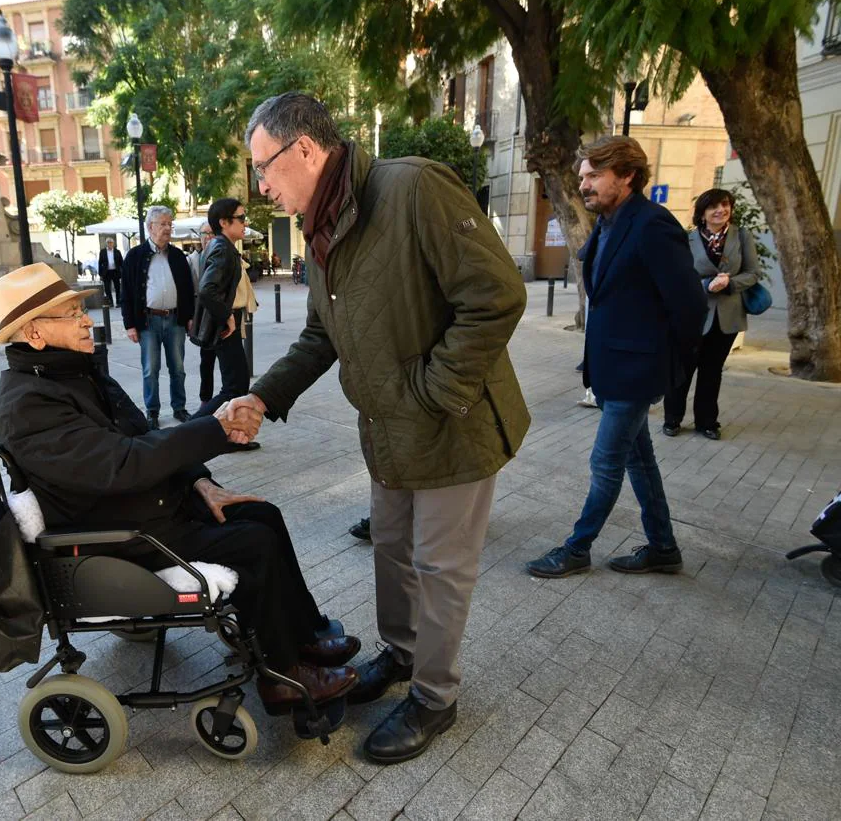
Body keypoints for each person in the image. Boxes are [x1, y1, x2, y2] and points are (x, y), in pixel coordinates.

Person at [223, 92, 532, 764]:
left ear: (304, 149)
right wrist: (264, 395)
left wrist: (431, 390)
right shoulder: (322, 225)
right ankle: (402, 653)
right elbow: (319, 333)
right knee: (392, 548)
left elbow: (498, 294)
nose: (262, 186)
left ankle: (435, 697)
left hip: (452, 424)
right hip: (388, 432)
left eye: (264, 168)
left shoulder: (413, 188)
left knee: (441, 567)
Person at [0, 263, 360, 712]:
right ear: (35, 333)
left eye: (81, 310)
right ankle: (281, 677)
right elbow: (123, 463)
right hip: (114, 533)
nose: (87, 320)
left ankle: (305, 637)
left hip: (145, 507)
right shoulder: (28, 404)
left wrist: (201, 481)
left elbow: (142, 437)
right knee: (252, 541)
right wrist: (215, 427)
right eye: (70, 314)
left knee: (263, 514)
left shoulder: (73, 374)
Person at [526, 136, 706, 580]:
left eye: (593, 176)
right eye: (583, 175)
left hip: (636, 372)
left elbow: (690, 307)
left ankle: (577, 547)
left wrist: (668, 370)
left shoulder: (652, 225)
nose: (583, 184)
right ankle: (663, 547)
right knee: (638, 459)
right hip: (613, 368)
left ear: (626, 175)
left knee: (605, 462)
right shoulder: (608, 224)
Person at [662, 188, 759, 440]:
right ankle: (672, 418)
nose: (721, 210)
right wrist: (705, 285)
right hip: (692, 316)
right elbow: (677, 276)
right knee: (683, 369)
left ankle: (706, 422)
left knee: (712, 371)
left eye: (725, 205)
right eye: (713, 206)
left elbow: (753, 273)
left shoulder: (742, 236)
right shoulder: (688, 239)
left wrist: (731, 283)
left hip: (727, 317)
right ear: (702, 213)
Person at [121, 207, 196, 430]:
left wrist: (189, 317)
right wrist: (129, 325)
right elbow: (126, 293)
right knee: (150, 369)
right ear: (149, 227)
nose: (167, 228)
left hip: (175, 320)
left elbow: (187, 289)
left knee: (178, 368)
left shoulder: (178, 256)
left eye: (169, 224)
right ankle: (152, 411)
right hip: (148, 322)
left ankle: (179, 407)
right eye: (162, 224)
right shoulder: (134, 256)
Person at [199, 198, 261, 453]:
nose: (245, 223)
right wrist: (227, 316)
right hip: (226, 326)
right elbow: (207, 289)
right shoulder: (222, 248)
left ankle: (231, 436)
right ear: (224, 222)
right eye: (241, 218)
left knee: (236, 386)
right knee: (234, 387)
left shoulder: (224, 246)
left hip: (228, 324)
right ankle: (190, 432)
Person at [187, 222, 220, 407]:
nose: (208, 237)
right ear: (199, 236)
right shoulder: (192, 260)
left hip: (222, 317)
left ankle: (229, 397)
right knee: (206, 361)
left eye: (211, 233)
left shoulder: (222, 256)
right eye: (204, 233)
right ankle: (205, 400)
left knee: (226, 362)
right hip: (203, 318)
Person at [98, 237, 123, 307]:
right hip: (106, 272)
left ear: (113, 243)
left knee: (117, 288)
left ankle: (118, 302)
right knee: (107, 288)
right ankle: (110, 302)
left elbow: (121, 262)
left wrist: (123, 271)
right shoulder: (102, 252)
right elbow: (100, 263)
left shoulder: (117, 251)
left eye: (111, 242)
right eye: (108, 242)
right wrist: (100, 274)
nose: (110, 244)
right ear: (106, 244)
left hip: (115, 272)